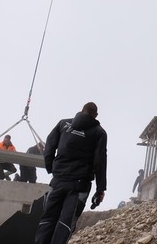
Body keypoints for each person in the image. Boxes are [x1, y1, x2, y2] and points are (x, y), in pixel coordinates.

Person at [35, 102, 107, 244]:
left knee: (48, 219)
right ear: (96, 115)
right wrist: (100, 189)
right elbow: (100, 161)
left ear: (81, 111)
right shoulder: (99, 133)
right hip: (79, 186)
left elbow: (49, 146)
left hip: (57, 181)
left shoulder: (63, 124)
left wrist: (51, 169)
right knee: (66, 224)